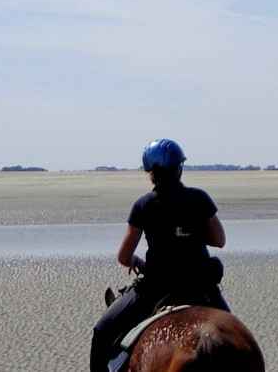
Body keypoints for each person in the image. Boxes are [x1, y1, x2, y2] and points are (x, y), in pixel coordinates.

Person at [91, 139, 232, 371]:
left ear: (151, 173)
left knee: (102, 332)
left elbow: (124, 257)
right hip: (200, 286)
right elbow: (219, 240)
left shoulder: (143, 205)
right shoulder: (200, 198)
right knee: (232, 331)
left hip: (157, 287)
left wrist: (137, 261)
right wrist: (189, 234)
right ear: (179, 168)